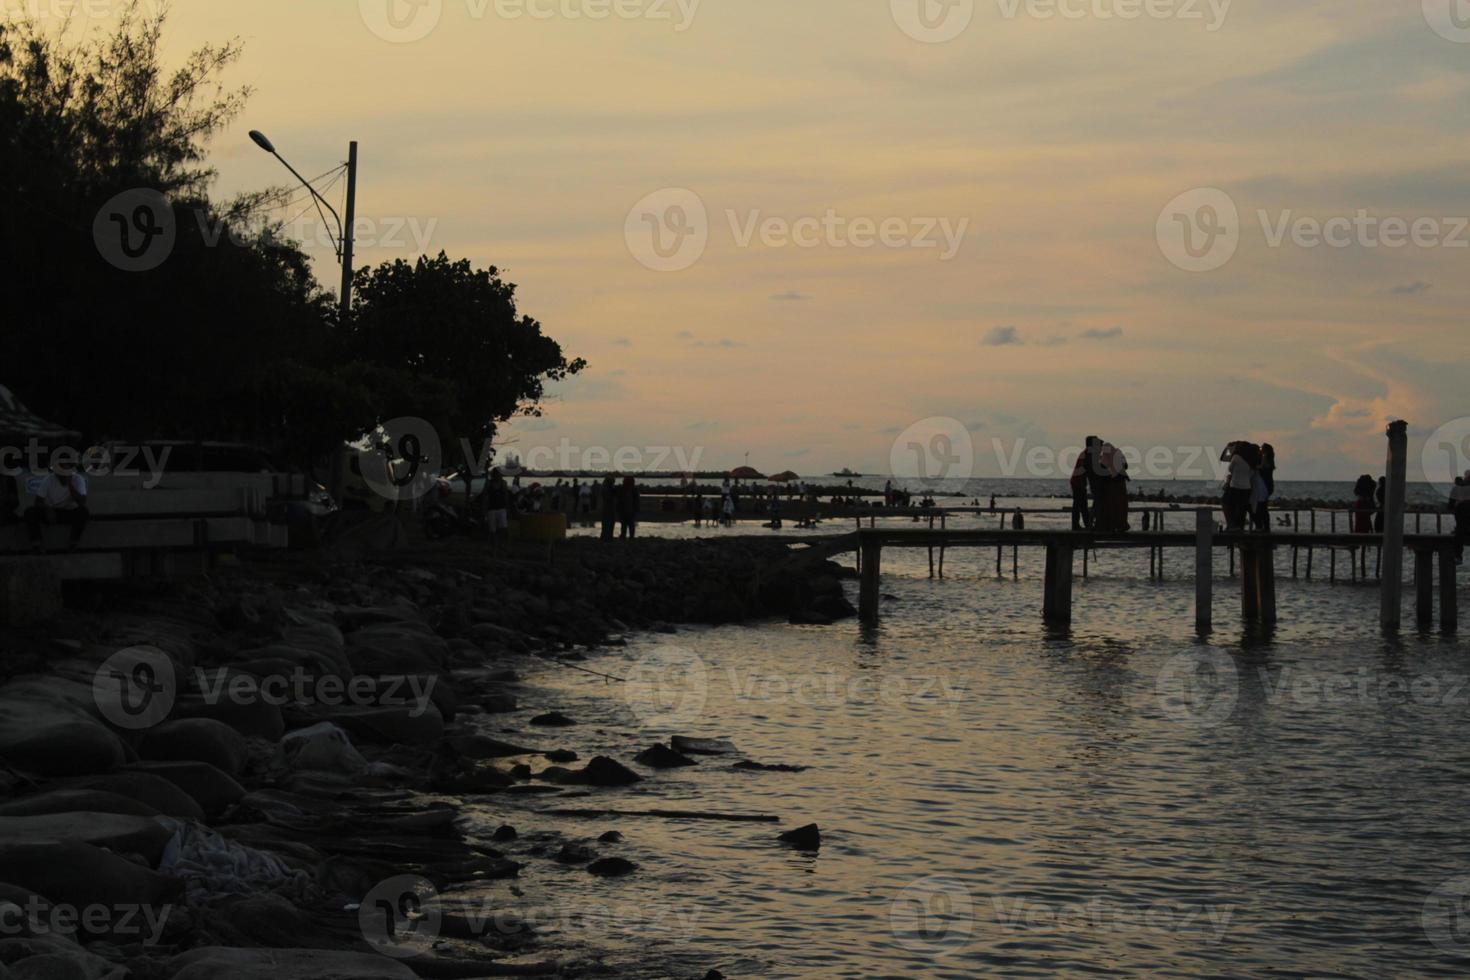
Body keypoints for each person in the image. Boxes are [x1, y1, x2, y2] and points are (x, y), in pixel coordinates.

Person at [26, 458, 89, 552]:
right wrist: (47, 509)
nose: (63, 474)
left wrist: (69, 485)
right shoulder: (49, 479)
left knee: (83, 512)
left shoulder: (78, 479)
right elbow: (38, 501)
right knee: (29, 512)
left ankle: (73, 542)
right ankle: (37, 544)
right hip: (51, 511)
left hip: (68, 512)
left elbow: (82, 502)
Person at [1220, 442, 1254, 531]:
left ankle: (1231, 524)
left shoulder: (1236, 457)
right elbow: (1251, 473)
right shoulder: (1251, 459)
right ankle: (1239, 526)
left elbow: (1230, 468)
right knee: (1241, 507)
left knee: (1226, 503)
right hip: (1247, 487)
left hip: (1235, 485)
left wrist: (1229, 448)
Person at [482, 468, 510, 547]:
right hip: (491, 509)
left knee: (504, 528)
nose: (497, 476)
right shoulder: (488, 484)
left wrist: (507, 508)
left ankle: (502, 544)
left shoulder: (503, 483)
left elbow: (506, 496)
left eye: (498, 474)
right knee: (492, 530)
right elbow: (484, 496)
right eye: (496, 474)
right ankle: (494, 545)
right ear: (493, 475)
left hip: (501, 508)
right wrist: (484, 509)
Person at [1252, 444, 1276, 532]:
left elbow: (1262, 467)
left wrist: (1255, 467)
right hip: (1266, 486)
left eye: (1262, 448)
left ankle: (1263, 527)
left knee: (1261, 507)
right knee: (1263, 507)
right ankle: (1265, 527)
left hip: (1264, 486)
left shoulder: (1265, 458)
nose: (1260, 450)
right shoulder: (1268, 458)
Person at [1069, 441, 1092, 531]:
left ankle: (1086, 525)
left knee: (1082, 505)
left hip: (1079, 482)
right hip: (1077, 482)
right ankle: (1077, 525)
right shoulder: (1087, 455)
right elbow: (1087, 469)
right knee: (1079, 504)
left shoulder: (1087, 454)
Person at [600, 475, 617, 541]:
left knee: (608, 523)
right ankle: (607, 536)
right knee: (608, 523)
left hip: (608, 508)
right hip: (608, 507)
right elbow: (608, 497)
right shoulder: (606, 488)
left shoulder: (606, 487)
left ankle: (607, 536)